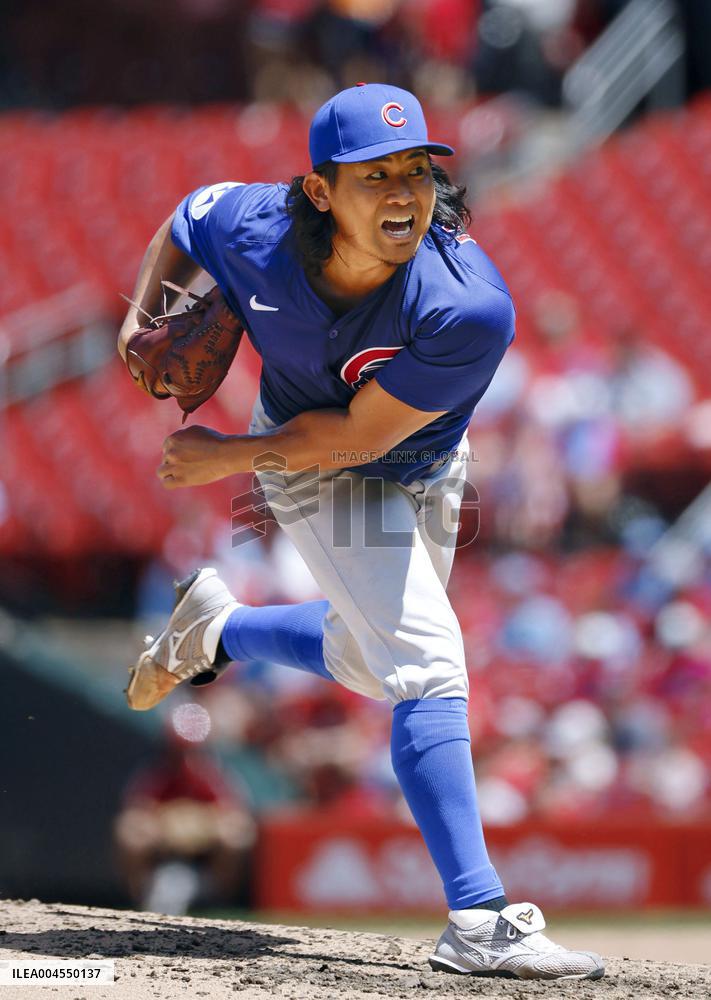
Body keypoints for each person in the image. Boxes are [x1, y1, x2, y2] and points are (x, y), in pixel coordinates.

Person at [118, 83, 604, 981]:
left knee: (368, 659)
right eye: (374, 174)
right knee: (425, 662)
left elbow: (359, 434)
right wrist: (142, 316)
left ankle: (218, 629)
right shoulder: (257, 228)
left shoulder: (465, 303)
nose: (402, 193)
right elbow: (186, 219)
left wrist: (224, 457)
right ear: (318, 192)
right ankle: (478, 915)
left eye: (416, 170)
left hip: (411, 463)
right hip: (313, 474)